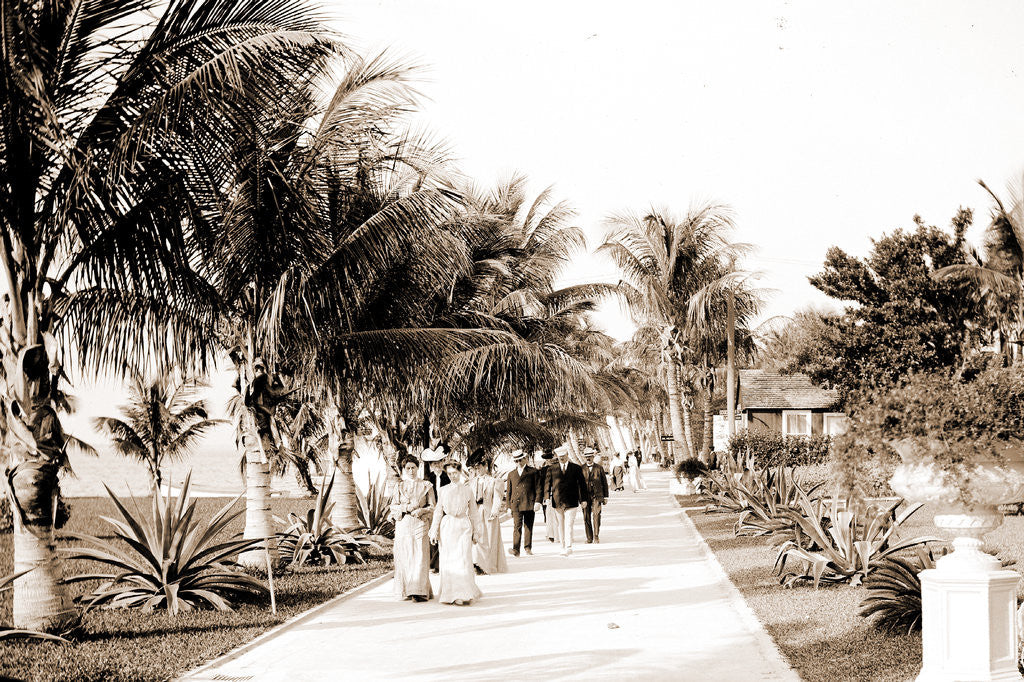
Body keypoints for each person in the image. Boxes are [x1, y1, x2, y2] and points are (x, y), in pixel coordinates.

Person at [429, 458, 482, 605]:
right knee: (450, 561)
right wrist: (434, 530)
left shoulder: (467, 490)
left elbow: (474, 512)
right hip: (448, 527)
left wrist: (477, 531)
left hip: (463, 525)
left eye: (455, 472)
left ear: (460, 471)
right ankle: (452, 593)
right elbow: (438, 511)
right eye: (450, 473)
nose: (452, 476)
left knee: (464, 558)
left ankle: (465, 592)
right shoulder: (443, 490)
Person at [390, 455, 435, 602]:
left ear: (418, 468)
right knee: (405, 556)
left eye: (413, 467)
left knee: (420, 556)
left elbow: (433, 506)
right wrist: (406, 507)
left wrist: (422, 511)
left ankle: (419, 591)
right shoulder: (399, 486)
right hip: (403, 525)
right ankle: (407, 590)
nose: (411, 471)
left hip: (420, 524)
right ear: (403, 469)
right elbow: (393, 506)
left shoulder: (426, 485)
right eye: (408, 468)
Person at [544, 444, 590, 556]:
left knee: (569, 524)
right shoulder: (551, 469)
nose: (562, 458)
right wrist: (546, 498)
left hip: (572, 501)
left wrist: (583, 499)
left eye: (563, 456)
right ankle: (562, 546)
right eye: (560, 457)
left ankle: (568, 546)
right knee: (561, 524)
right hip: (557, 501)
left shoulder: (576, 468)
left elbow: (582, 485)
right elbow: (547, 485)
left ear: (567, 455)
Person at [469, 453, 507, 574]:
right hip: (475, 513)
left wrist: (495, 511)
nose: (478, 470)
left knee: (490, 538)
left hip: (488, 512)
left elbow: (497, 497)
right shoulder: (471, 482)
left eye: (480, 466)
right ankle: (477, 564)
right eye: (476, 468)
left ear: (486, 466)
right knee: (477, 538)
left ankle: (489, 565)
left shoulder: (494, 481)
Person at [505, 449, 542, 557]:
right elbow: (509, 491)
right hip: (516, 504)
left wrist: (538, 502)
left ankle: (527, 548)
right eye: (516, 461)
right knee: (517, 527)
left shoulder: (533, 471)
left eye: (520, 460)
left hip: (529, 503)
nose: (519, 463)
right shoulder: (511, 474)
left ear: (525, 459)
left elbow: (539, 488)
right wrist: (508, 506)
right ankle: (516, 549)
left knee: (528, 526)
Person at [421, 446, 450, 572]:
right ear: (431, 465)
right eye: (434, 464)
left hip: (445, 510)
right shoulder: (428, 479)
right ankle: (433, 564)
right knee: (432, 535)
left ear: (442, 463)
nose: (437, 466)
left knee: (443, 535)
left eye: (439, 463)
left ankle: (440, 564)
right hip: (433, 510)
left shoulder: (447, 477)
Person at [582, 449, 609, 543]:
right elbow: (578, 484)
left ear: (593, 457)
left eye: (590, 456)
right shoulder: (581, 468)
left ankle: (596, 536)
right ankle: (589, 537)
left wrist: (606, 496)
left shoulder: (599, 468)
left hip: (597, 496)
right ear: (584, 458)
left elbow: (604, 482)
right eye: (586, 457)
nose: (588, 458)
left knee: (597, 515)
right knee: (586, 516)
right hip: (585, 496)